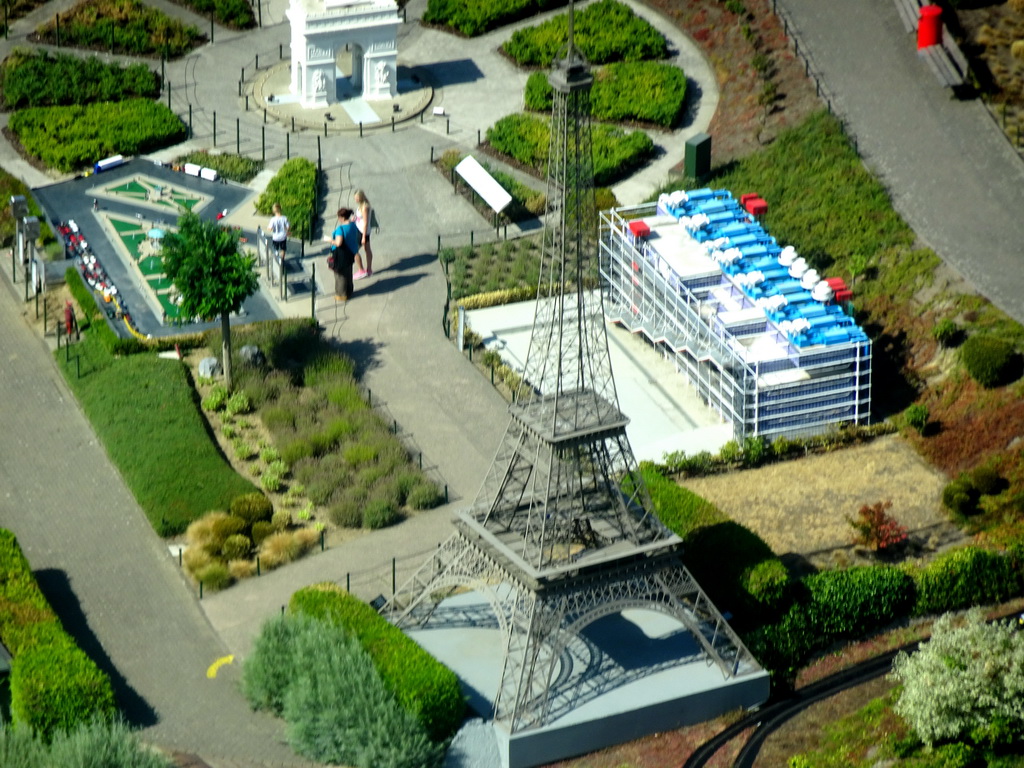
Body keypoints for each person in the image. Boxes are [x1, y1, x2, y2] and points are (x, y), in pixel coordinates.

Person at [331, 208, 361, 301]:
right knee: (348, 272)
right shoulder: (353, 225)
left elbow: (338, 243)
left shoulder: (340, 229)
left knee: (340, 275)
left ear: (342, 217)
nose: (338, 219)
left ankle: (341, 295)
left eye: (339, 217)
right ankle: (349, 291)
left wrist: (330, 240)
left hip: (341, 254)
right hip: (351, 252)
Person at [353, 189, 374, 280]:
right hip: (361, 230)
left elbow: (365, 222)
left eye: (357, 198)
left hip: (362, 231)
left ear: (361, 197)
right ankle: (369, 269)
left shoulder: (364, 207)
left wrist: (363, 237)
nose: (355, 200)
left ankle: (361, 270)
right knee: (367, 249)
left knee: (353, 250)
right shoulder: (361, 206)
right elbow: (359, 218)